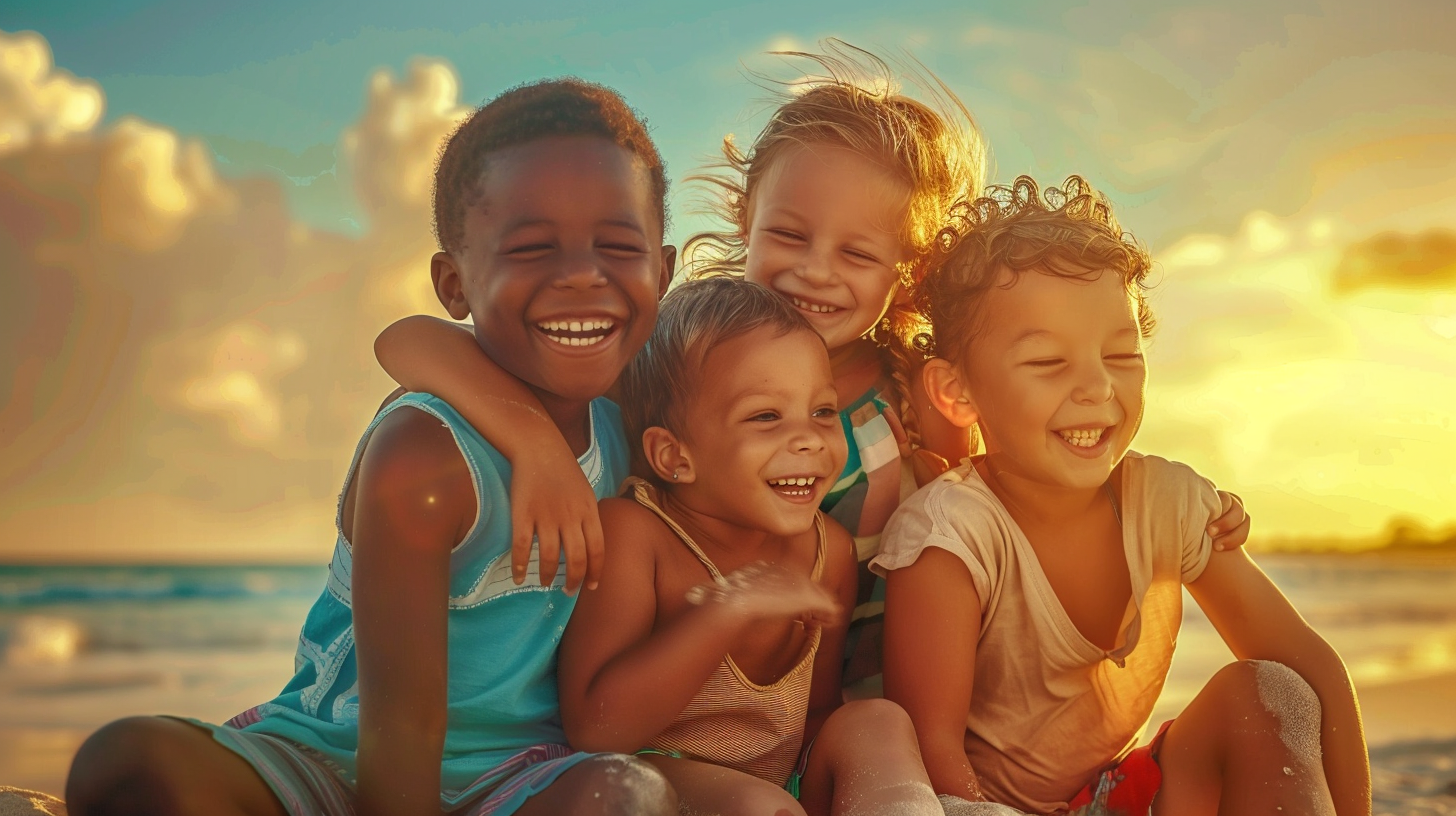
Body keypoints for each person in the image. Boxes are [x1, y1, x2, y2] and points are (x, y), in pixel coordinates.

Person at [369, 42, 1250, 692]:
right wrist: (529, 440)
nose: (815, 270)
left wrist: (1179, 511)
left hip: (860, 689)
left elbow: (1037, 472)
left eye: (858, 255)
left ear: (905, 269)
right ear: (746, 215)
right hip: (682, 683)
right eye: (788, 235)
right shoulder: (684, 348)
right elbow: (408, 342)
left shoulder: (913, 393)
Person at [65, 79, 679, 816]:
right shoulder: (425, 454)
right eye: (530, 247)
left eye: (617, 245)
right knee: (129, 763)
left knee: (631, 797)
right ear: (455, 284)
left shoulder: (632, 423)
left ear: (664, 273)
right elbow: (401, 727)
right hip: (335, 759)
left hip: (523, 775)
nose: (582, 272)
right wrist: (531, 444)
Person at [876, 176, 1371, 816]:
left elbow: (1313, 669)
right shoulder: (949, 535)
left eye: (1120, 354)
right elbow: (929, 759)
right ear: (957, 392)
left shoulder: (1166, 502)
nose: (1096, 388)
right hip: (981, 809)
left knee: (1274, 694)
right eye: (1048, 363)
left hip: (1117, 796)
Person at [558, 276, 941, 816]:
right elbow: (594, 730)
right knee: (757, 805)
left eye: (823, 411)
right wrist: (726, 609)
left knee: (876, 720)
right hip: (656, 781)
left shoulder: (826, 552)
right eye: (766, 416)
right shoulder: (638, 534)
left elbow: (816, 713)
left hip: (781, 785)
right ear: (674, 457)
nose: (809, 438)